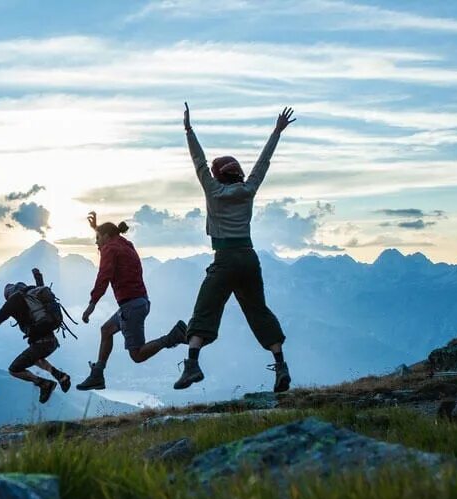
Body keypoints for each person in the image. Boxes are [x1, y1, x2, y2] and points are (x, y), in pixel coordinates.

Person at [175, 103, 294, 393]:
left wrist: (189, 130)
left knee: (205, 310)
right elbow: (262, 164)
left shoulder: (213, 191)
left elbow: (198, 161)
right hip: (249, 258)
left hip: (225, 259)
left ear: (217, 175)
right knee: (258, 311)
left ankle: (192, 365)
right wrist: (276, 131)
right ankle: (280, 366)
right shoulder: (249, 189)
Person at [76, 212, 188, 390]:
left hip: (130, 306)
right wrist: (97, 228)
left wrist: (92, 304)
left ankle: (172, 337)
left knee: (137, 355)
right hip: (139, 302)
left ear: (106, 237)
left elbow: (103, 276)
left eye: (97, 238)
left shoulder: (110, 249)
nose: (96, 243)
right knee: (106, 330)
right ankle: (97, 375)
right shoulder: (125, 245)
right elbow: (112, 234)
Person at [0, 268, 71, 404]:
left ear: (8, 295)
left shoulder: (14, 300)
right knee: (35, 359)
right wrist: (38, 276)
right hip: (51, 341)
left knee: (14, 369)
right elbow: (42, 288)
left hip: (41, 343)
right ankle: (61, 376)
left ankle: (44, 384)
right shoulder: (33, 294)